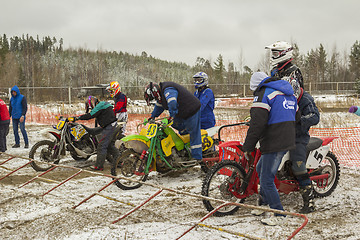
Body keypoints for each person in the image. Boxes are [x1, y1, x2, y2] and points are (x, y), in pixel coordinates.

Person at [242, 72, 297, 226]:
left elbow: (256, 124)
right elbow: (296, 116)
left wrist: (248, 147)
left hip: (274, 141)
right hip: (286, 138)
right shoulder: (287, 93)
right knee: (261, 169)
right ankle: (264, 203)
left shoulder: (264, 94)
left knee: (266, 179)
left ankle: (279, 212)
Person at [144, 81, 202, 163]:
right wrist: (152, 116)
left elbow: (172, 103)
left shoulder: (168, 89)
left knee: (193, 132)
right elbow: (159, 106)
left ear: (156, 93)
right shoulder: (161, 95)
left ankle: (197, 157)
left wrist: (171, 116)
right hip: (181, 111)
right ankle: (185, 149)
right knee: (175, 124)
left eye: (155, 98)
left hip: (191, 109)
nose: (157, 100)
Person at [285, 77, 320, 214]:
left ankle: (309, 201)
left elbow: (315, 117)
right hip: (284, 134)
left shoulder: (306, 99)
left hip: (299, 137)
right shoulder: (282, 97)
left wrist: (300, 120)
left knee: (298, 165)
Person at [73, 96, 120, 171]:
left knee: (101, 146)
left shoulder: (100, 106)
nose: (91, 108)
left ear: (92, 102)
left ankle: (99, 166)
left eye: (90, 106)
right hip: (110, 125)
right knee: (109, 146)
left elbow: (90, 115)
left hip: (110, 126)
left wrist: (76, 118)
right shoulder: (102, 104)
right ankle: (119, 161)